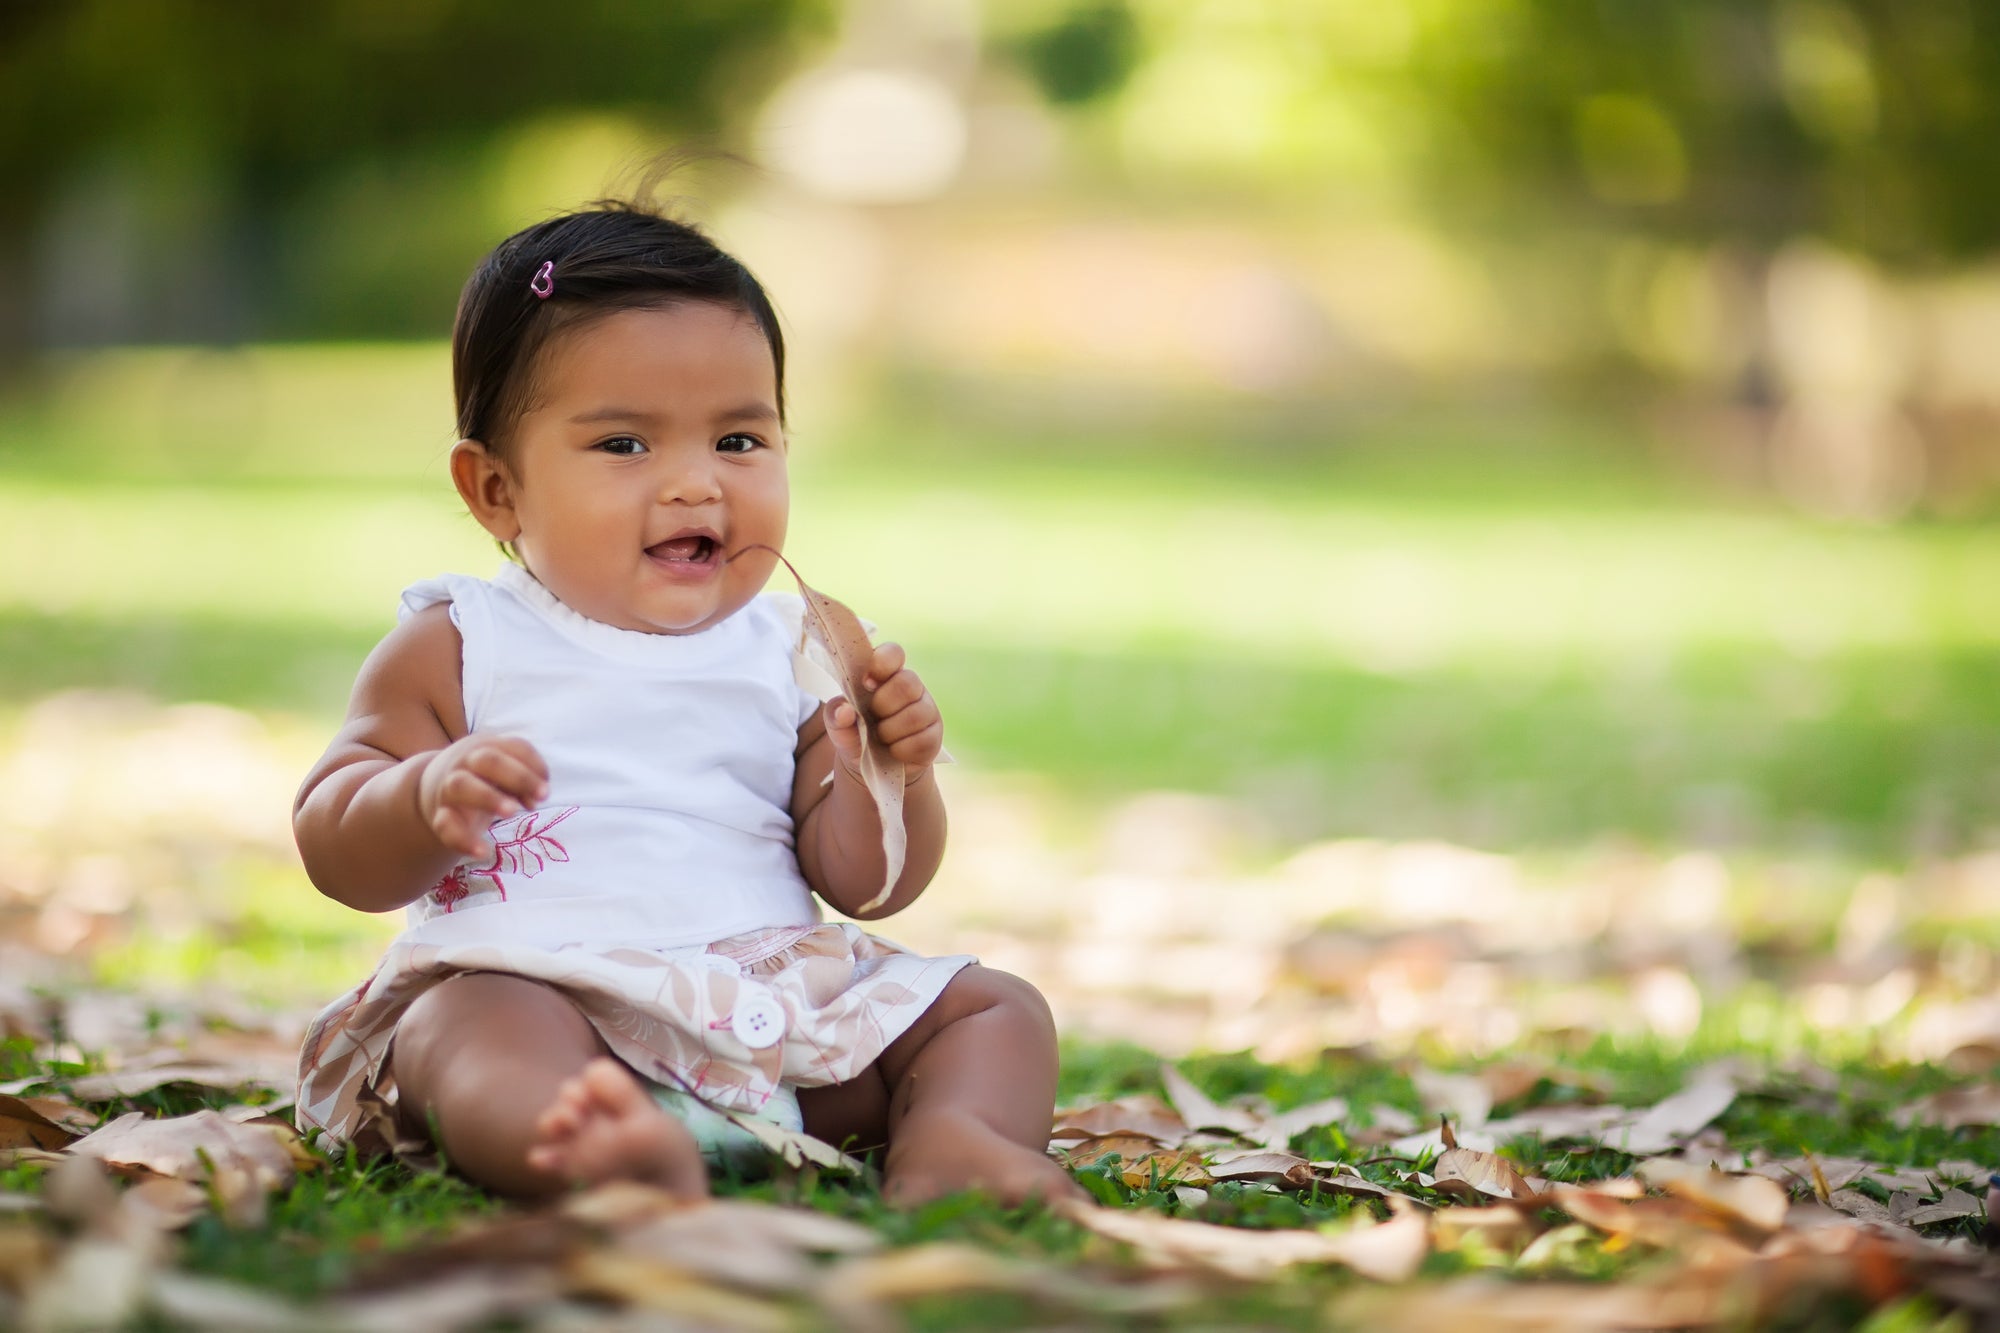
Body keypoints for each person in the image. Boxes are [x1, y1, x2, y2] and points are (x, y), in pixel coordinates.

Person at [291, 199, 1082, 1207]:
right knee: (461, 1027)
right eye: (625, 446)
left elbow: (868, 884)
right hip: (553, 999)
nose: (693, 485)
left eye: (739, 440)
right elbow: (331, 838)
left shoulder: (784, 656)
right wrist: (416, 798)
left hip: (777, 1023)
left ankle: (956, 1145)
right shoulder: (461, 642)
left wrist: (891, 774)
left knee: (992, 1007)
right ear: (496, 491)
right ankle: (586, 1145)